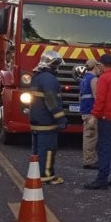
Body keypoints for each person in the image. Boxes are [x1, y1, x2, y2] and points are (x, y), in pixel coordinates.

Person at [84, 53, 111, 190]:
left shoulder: (103, 79)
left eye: (99, 65)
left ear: (102, 65)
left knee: (104, 150)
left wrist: (94, 116)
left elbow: (100, 100)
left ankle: (102, 180)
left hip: (106, 120)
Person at [29, 49, 68, 184]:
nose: (57, 67)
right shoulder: (49, 79)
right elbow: (51, 101)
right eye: (56, 64)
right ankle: (46, 176)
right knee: (48, 150)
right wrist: (61, 119)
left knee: (37, 151)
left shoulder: (37, 77)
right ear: (52, 64)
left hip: (36, 120)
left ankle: (34, 174)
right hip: (46, 122)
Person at [79, 57, 102, 169]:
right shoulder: (94, 79)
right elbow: (97, 96)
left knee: (88, 135)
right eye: (98, 66)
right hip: (91, 112)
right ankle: (89, 161)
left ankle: (89, 159)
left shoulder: (84, 79)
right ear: (95, 66)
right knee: (91, 137)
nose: (99, 68)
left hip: (85, 111)